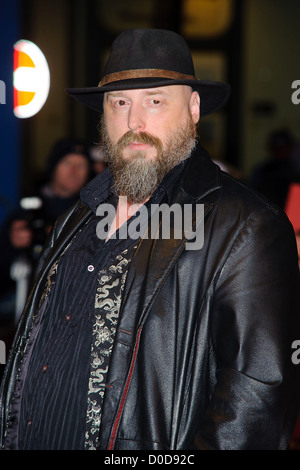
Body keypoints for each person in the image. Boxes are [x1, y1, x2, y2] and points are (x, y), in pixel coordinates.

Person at [0, 28, 299, 451]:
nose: (134, 122)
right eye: (119, 103)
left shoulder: (246, 225)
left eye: (155, 101)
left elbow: (257, 404)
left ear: (194, 108)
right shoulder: (76, 217)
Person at [0, 138, 93, 323]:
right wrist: (12, 245)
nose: (74, 171)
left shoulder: (95, 213)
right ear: (53, 167)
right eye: (67, 163)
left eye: (81, 165)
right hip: (30, 314)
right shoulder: (28, 211)